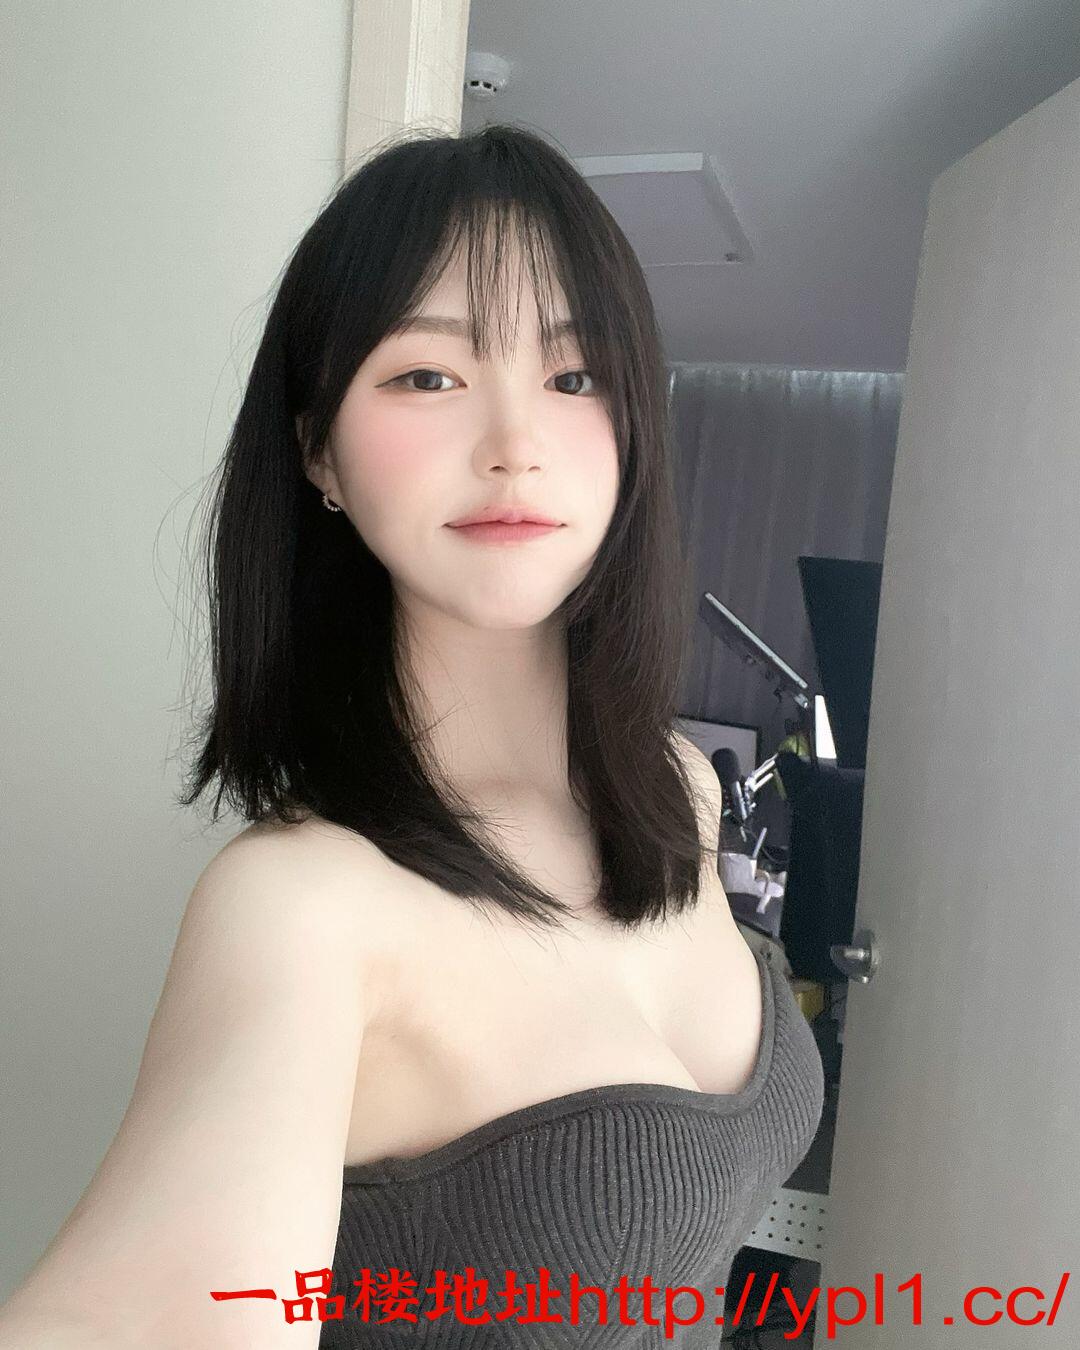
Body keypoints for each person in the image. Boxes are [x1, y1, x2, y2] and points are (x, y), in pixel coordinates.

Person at [0, 124, 823, 1349]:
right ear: (317, 448)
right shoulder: (307, 911)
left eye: (576, 375)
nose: (515, 443)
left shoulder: (677, 792)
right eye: (428, 377)